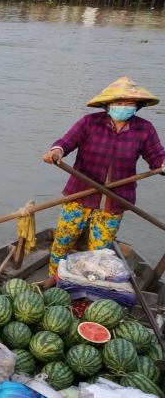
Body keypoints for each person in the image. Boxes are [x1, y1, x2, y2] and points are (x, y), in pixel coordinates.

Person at [40, 77, 164, 289]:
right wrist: (56, 151)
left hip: (115, 200)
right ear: (108, 104)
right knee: (63, 240)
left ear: (137, 106)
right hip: (79, 194)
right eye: (119, 103)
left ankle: (85, 284)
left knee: (99, 251)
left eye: (129, 103)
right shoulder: (89, 123)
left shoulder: (144, 129)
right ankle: (55, 277)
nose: (123, 107)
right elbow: (66, 142)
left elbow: (156, 157)